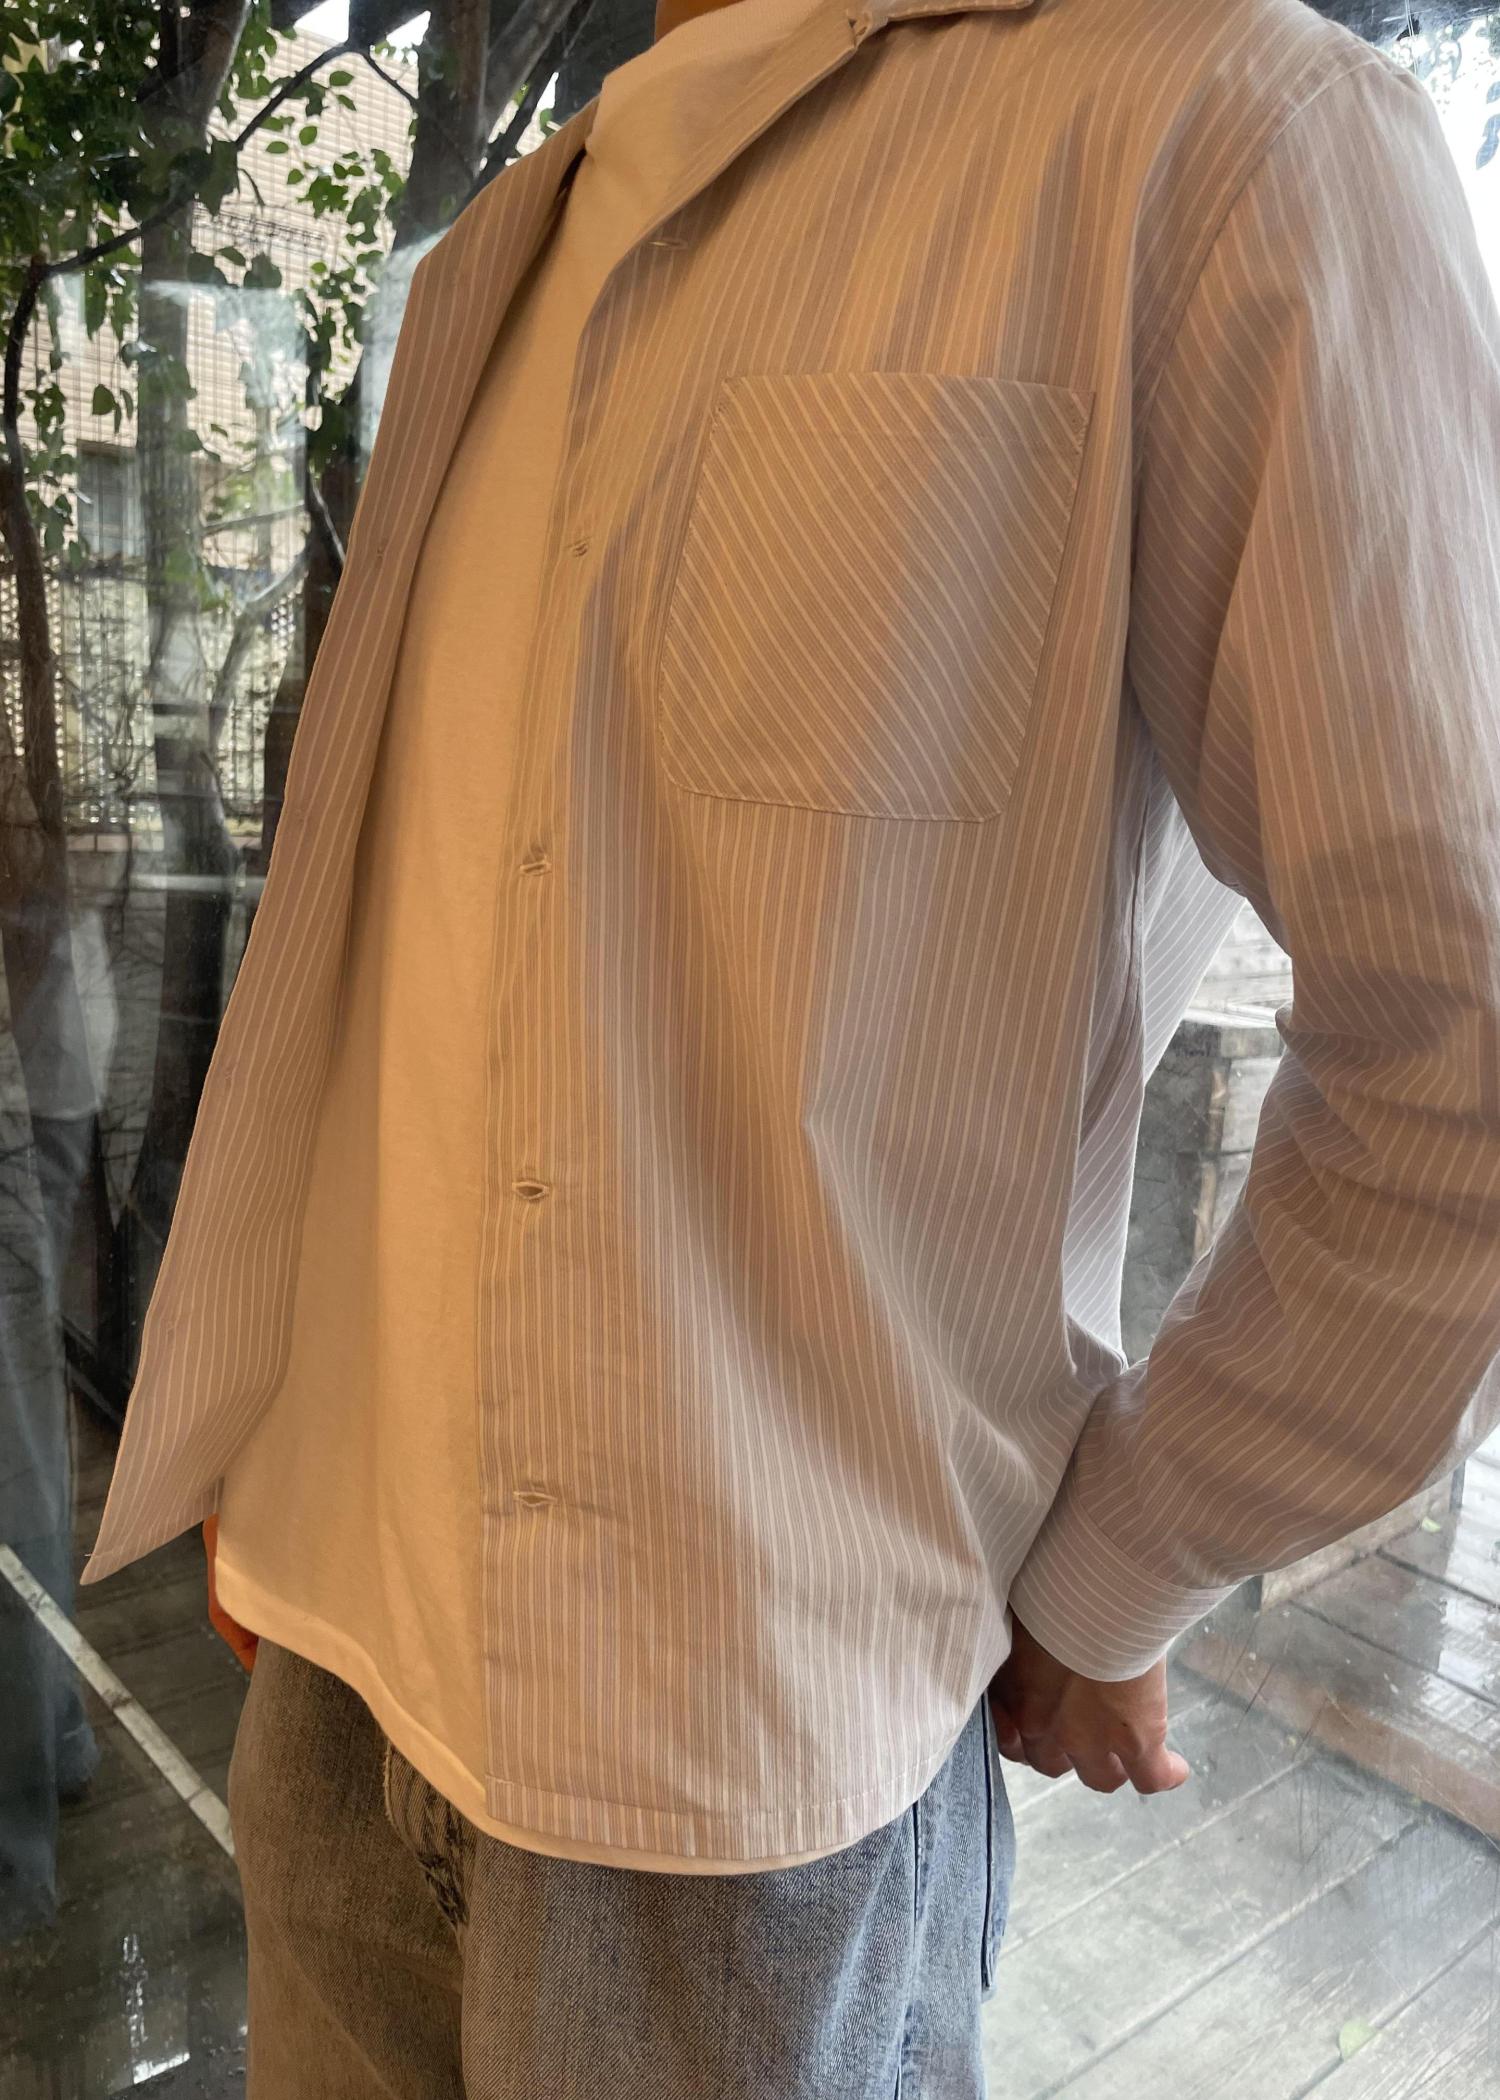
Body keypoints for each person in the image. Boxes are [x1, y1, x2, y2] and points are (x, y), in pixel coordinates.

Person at [81, 0, 1500, 2091]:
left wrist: (1131, 1555)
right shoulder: (518, 237)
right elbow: (425, 938)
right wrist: (288, 1441)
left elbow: (1457, 1034)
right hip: (329, 1673)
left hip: (746, 1796)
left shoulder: (1210, 131)